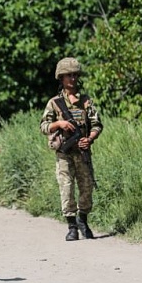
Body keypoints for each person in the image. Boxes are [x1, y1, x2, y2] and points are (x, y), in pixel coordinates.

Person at [40, 57, 103, 241]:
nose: (72, 79)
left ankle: (83, 220)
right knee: (66, 189)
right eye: (68, 75)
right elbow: (43, 126)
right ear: (61, 78)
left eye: (75, 75)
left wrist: (89, 139)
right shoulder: (54, 103)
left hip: (83, 153)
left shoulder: (85, 101)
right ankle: (72, 226)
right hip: (64, 154)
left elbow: (97, 124)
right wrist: (59, 123)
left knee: (86, 188)